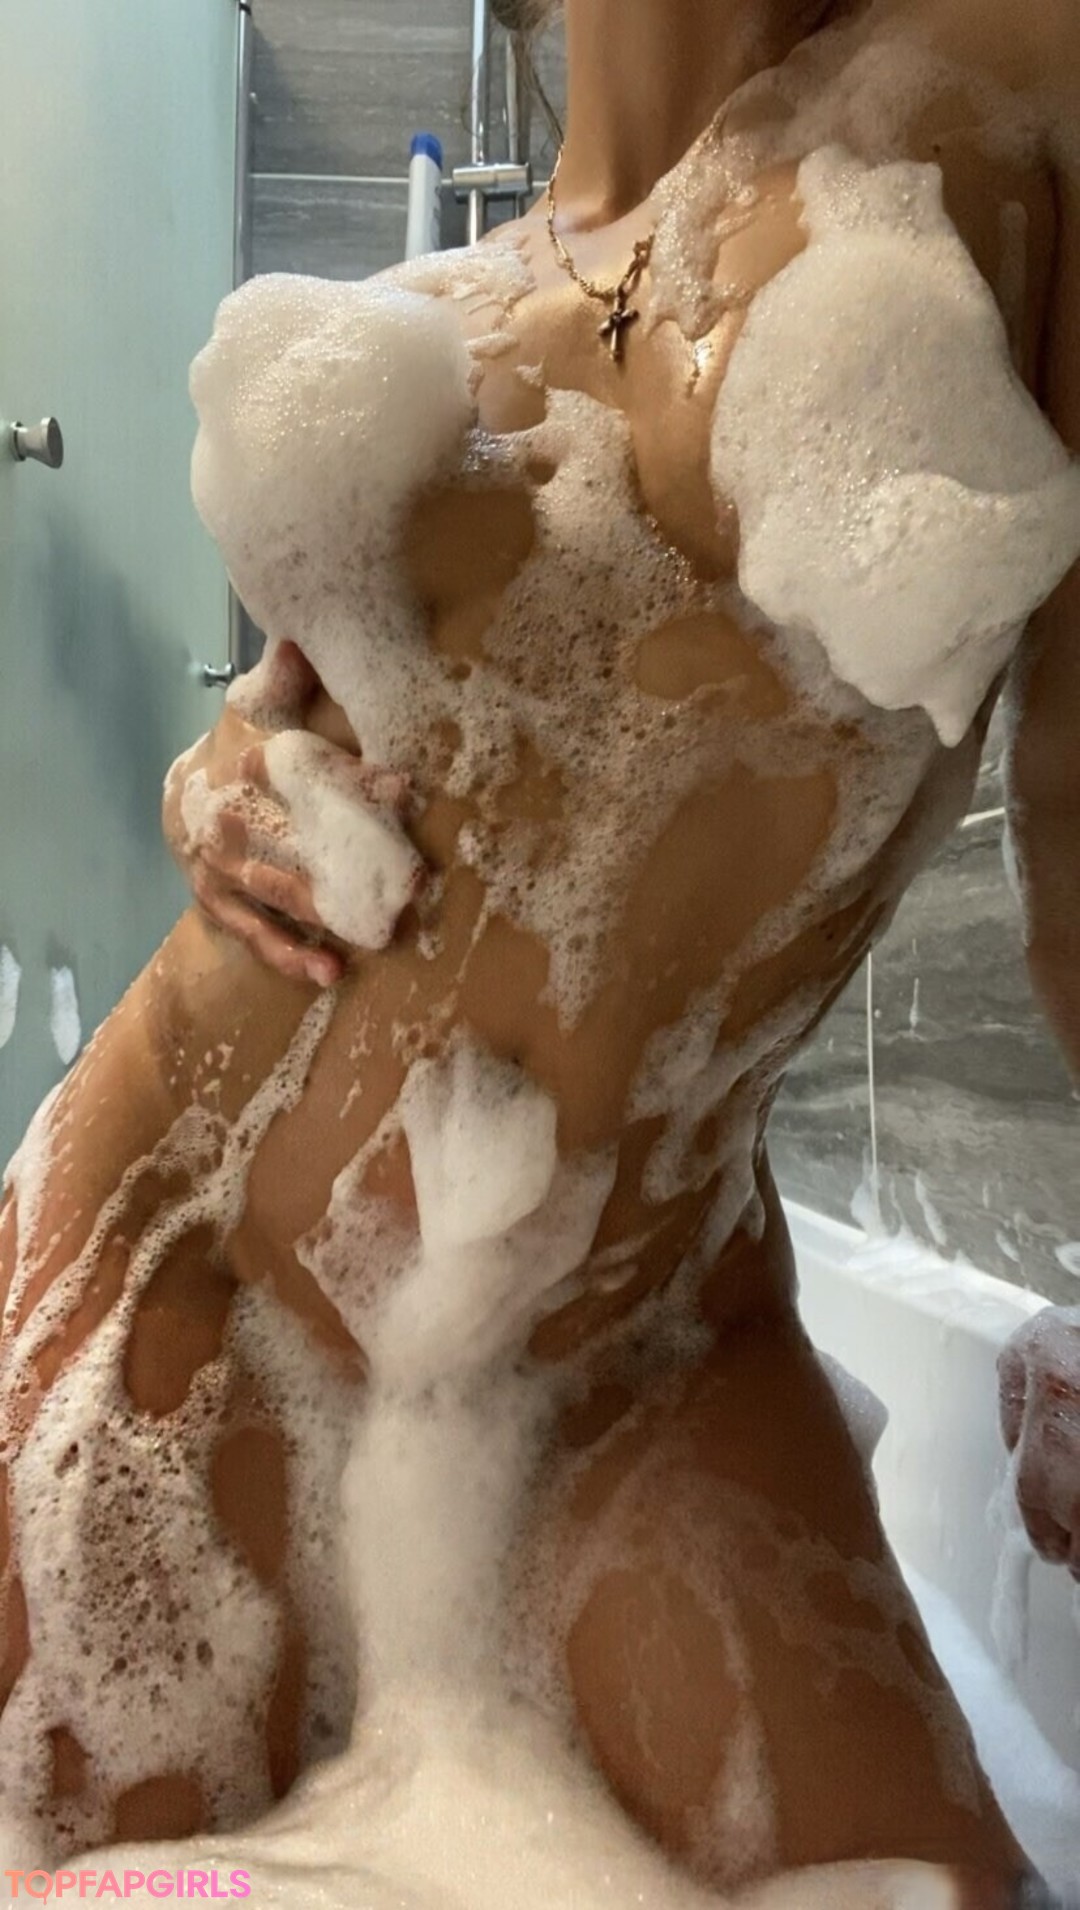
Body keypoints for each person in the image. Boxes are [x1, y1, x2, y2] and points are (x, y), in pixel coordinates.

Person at [2, 0, 1079, 1899]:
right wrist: (211, 779)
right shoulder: (437, 305)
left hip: (638, 1347)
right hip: (175, 1259)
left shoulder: (1002, 89)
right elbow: (301, 730)